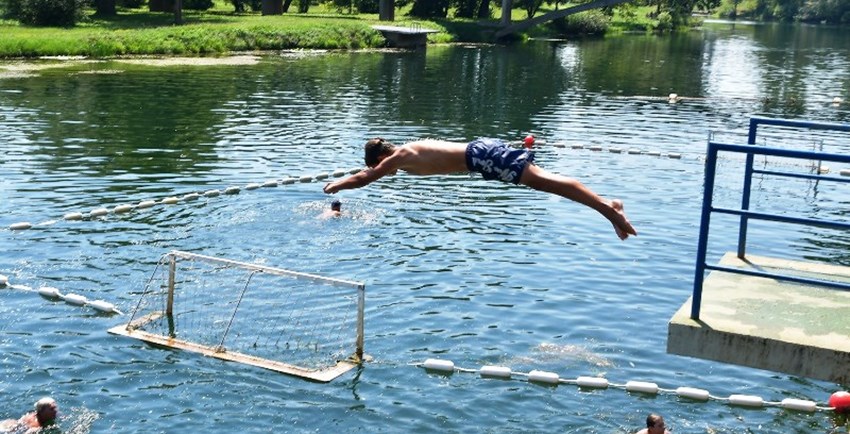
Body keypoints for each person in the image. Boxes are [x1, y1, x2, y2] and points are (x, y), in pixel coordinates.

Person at [323, 137, 637, 240]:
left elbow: (366, 178)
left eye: (377, 165)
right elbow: (369, 173)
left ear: (380, 158)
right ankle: (609, 209)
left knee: (546, 182)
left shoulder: (400, 156)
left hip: (482, 157)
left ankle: (610, 210)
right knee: (543, 183)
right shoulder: (401, 157)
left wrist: (336, 185)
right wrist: (362, 174)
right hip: (482, 157)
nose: (380, 171)